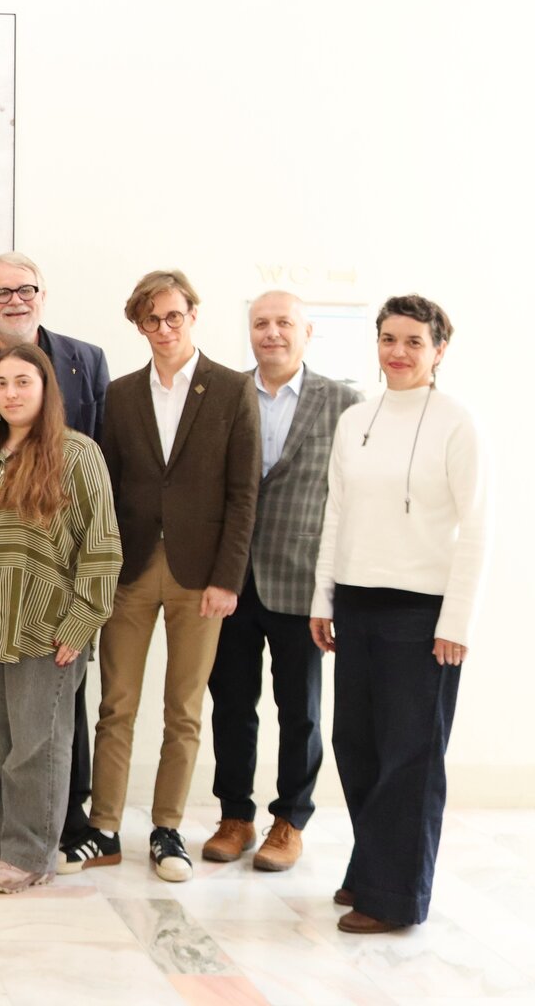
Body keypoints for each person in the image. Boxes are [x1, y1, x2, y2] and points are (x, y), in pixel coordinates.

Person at [67, 269, 259, 882]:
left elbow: (244, 493)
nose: (164, 328)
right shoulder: (122, 394)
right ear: (139, 325)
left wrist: (228, 578)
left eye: (174, 316)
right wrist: (98, 570)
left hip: (201, 578)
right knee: (115, 705)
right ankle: (104, 828)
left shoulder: (232, 389)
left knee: (184, 710)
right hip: (129, 570)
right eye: (152, 319)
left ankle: (167, 829)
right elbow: (106, 488)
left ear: (192, 315)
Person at [310, 295, 486, 934]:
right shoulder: (356, 418)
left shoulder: (457, 423)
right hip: (357, 601)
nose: (399, 352)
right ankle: (371, 869)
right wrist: (323, 597)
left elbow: (478, 526)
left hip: (422, 612)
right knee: (356, 744)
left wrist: (456, 620)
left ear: (440, 350)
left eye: (414, 341)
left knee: (409, 755)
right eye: (389, 339)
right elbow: (335, 511)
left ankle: (395, 897)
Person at [0, 343, 121, 893]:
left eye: (23, 382)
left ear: (45, 389)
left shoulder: (77, 454)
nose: (10, 393)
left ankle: (32, 854)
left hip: (46, 625)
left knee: (38, 743)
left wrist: (81, 622)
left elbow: (102, 547)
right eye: (1, 384)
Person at [0, 252, 110, 844]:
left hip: (50, 601)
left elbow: (100, 533)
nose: (11, 394)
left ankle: (42, 838)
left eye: (25, 290)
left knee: (45, 730)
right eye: (1, 292)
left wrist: (83, 614)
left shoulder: (81, 433)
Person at [202, 291, 360, 872]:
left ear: (307, 331)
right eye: (260, 323)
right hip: (231, 578)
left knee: (301, 712)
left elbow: (350, 501)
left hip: (301, 582)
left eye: (284, 323)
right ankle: (234, 817)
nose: (271, 333)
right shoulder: (226, 394)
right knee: (231, 705)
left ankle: (290, 820)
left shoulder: (343, 403)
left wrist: (336, 589)